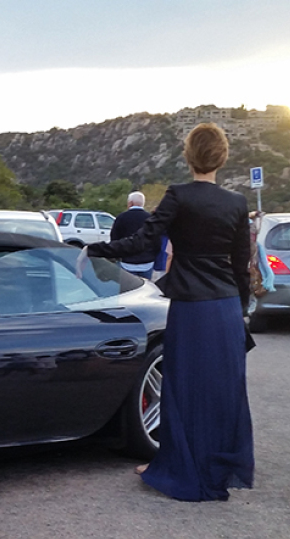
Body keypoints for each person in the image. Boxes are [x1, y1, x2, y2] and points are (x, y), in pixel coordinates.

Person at [80, 122, 254, 502]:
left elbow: (143, 240)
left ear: (188, 155)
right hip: (224, 308)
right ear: (222, 157)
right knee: (222, 391)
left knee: (183, 388)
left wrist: (97, 249)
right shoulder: (237, 203)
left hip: (191, 307)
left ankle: (176, 465)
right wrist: (241, 313)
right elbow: (241, 265)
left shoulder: (179, 196)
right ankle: (218, 469)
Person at [109, 191, 159, 279]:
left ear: (130, 203)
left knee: (129, 290)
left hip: (127, 262)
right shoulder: (151, 219)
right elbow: (157, 240)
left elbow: (114, 239)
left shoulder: (121, 218)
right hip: (147, 262)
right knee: (146, 290)